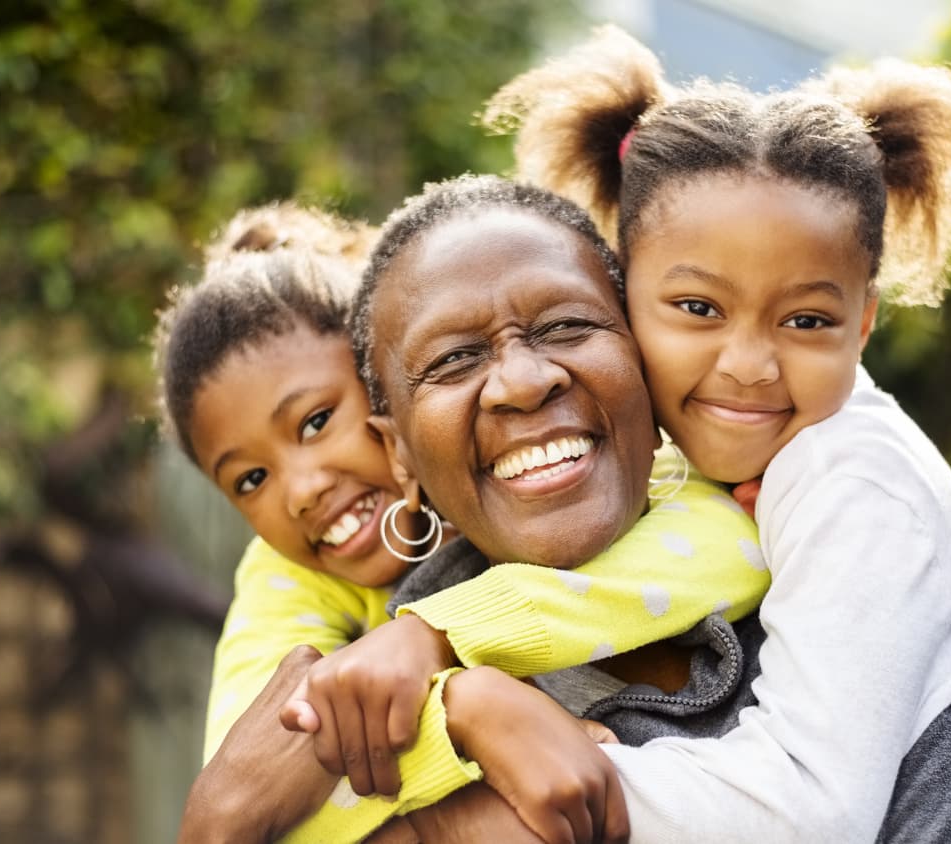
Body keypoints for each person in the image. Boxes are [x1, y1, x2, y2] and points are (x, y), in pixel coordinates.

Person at [476, 25, 951, 844]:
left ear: (863, 324)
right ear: (621, 292)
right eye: (698, 309)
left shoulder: (853, 483)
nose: (750, 364)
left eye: (806, 320)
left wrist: (527, 779)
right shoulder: (661, 458)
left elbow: (809, 809)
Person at [185, 176, 951, 842]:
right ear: (399, 452)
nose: (523, 381)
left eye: (568, 326)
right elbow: (248, 798)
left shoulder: (824, 565)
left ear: (639, 352)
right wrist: (459, 711)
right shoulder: (370, 676)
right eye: (455, 360)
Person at [156, 202, 773, 841]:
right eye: (250, 480)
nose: (303, 490)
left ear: (381, 400)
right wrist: (458, 714)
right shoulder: (285, 576)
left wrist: (442, 637)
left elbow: (728, 541)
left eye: (316, 422)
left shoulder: (661, 464)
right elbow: (253, 785)